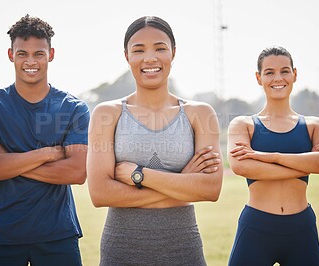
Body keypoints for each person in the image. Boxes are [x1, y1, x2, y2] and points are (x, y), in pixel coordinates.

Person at [87, 16, 223, 265]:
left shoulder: (200, 114)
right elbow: (99, 194)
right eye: (138, 50)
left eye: (160, 48)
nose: (150, 58)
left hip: (183, 249)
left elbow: (211, 189)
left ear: (173, 52)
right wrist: (182, 182)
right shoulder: (107, 114)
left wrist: (139, 175)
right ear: (127, 56)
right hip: (122, 249)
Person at [0, 14, 89, 266]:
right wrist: (45, 154)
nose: (30, 61)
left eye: (39, 54)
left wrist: (7, 163)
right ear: (11, 55)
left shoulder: (74, 108)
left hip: (58, 234)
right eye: (22, 53)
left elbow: (76, 172)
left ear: (51, 54)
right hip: (0, 234)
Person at [227, 46, 319, 266]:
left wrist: (267, 156)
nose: (278, 78)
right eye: (269, 72)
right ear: (258, 78)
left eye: (284, 71)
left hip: (301, 229)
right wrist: (308, 163)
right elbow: (243, 167)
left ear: (294, 74)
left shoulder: (314, 125)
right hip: (256, 228)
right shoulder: (243, 124)